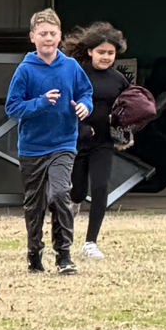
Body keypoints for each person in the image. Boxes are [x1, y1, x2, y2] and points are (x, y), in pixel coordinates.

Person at [5, 8, 93, 275]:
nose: (48, 38)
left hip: (64, 142)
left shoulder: (71, 67)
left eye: (53, 33)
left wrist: (85, 107)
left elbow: (85, 92)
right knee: (35, 204)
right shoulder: (25, 70)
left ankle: (64, 255)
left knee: (59, 194)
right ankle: (34, 252)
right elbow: (12, 108)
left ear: (60, 36)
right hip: (32, 147)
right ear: (33, 37)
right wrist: (41, 103)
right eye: (43, 34)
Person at [60, 22, 130, 260]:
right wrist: (80, 127)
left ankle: (90, 242)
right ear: (90, 51)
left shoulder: (119, 80)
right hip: (77, 141)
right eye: (101, 52)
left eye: (110, 53)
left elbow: (129, 109)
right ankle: (74, 207)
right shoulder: (76, 74)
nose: (106, 57)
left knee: (101, 187)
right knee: (77, 191)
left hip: (104, 142)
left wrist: (124, 124)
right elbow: (64, 106)